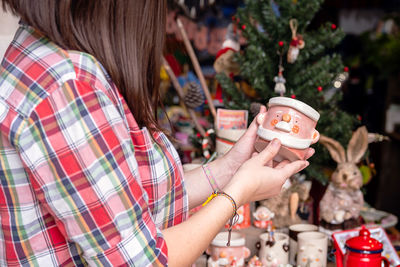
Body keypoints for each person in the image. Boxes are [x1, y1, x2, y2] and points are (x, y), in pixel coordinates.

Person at [0, 1, 314, 266]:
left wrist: (230, 167)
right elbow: (145, 260)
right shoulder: (68, 87)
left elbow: (132, 204)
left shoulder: (47, 54)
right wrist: (238, 194)